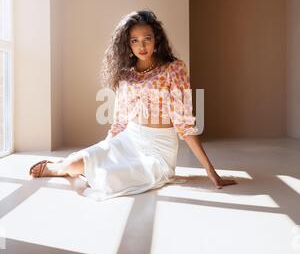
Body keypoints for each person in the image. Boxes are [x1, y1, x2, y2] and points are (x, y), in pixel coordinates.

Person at [29, 10, 237, 200]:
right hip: (130, 138)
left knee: (108, 178)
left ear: (157, 40)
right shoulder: (126, 75)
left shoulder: (174, 69)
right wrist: (105, 149)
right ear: (127, 45)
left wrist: (210, 170)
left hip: (159, 149)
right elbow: (120, 120)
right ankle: (56, 168)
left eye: (147, 39)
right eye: (135, 41)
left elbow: (184, 123)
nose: (142, 46)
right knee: (80, 162)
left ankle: (65, 167)